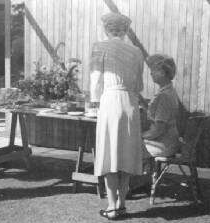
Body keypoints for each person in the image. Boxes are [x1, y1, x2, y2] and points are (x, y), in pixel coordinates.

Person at [90, 13, 144, 219]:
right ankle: (121, 203)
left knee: (109, 153)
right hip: (130, 102)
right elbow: (139, 85)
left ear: (106, 29)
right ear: (125, 31)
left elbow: (96, 81)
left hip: (110, 101)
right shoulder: (136, 51)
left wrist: (95, 101)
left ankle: (112, 206)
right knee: (126, 154)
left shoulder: (99, 46)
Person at [142, 54, 180, 157]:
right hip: (169, 141)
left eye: (153, 70)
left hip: (164, 144)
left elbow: (158, 129)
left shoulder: (164, 96)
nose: (151, 73)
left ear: (163, 73)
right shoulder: (169, 91)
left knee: (128, 146)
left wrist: (140, 136)